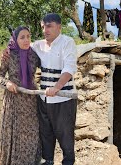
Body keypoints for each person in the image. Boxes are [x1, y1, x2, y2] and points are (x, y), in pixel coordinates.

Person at [35, 13, 78, 165]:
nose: (45, 30)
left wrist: (57, 87)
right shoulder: (38, 45)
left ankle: (68, 162)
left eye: (49, 26)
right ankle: (48, 161)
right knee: (45, 133)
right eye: (43, 27)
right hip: (43, 98)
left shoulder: (67, 42)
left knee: (65, 135)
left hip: (63, 99)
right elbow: (21, 48)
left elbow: (69, 68)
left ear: (59, 27)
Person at [0, 26, 41, 164]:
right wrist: (7, 83)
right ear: (15, 39)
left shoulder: (34, 55)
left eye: (28, 36)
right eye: (22, 37)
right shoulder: (9, 54)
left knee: (32, 133)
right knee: (14, 134)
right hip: (13, 101)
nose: (26, 40)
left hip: (31, 101)